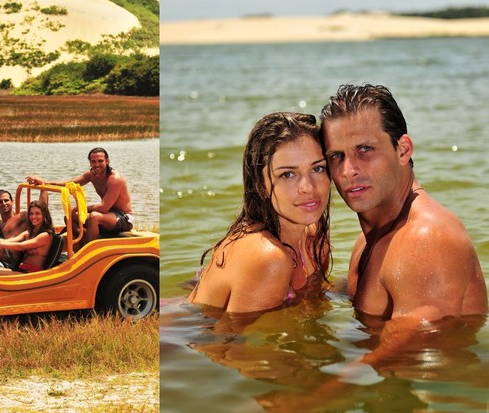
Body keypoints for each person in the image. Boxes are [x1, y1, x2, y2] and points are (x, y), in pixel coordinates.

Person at [320, 83, 487, 322]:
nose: (348, 171)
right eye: (337, 156)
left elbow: (407, 351)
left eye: (365, 149)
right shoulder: (367, 242)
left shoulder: (426, 237)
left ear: (403, 150)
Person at [187, 112, 331, 313]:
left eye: (318, 169)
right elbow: (226, 343)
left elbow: (314, 301)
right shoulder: (268, 257)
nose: (308, 187)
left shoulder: (315, 238)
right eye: (287, 174)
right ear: (260, 186)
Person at [26, 147, 133, 246]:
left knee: (94, 216)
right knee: (69, 217)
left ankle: (90, 251)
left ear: (107, 161)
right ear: (90, 162)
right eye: (93, 161)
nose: (97, 165)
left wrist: (79, 208)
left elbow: (103, 207)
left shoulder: (115, 179)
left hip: (123, 217)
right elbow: (69, 184)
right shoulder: (90, 175)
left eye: (100, 161)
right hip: (107, 214)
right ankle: (85, 243)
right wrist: (44, 182)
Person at [0, 200, 55, 274]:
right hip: (20, 269)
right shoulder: (29, 233)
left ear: (44, 215)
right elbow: (10, 240)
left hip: (30, 274)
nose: (33, 216)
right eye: (31, 214)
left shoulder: (45, 235)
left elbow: (20, 246)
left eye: (37, 213)